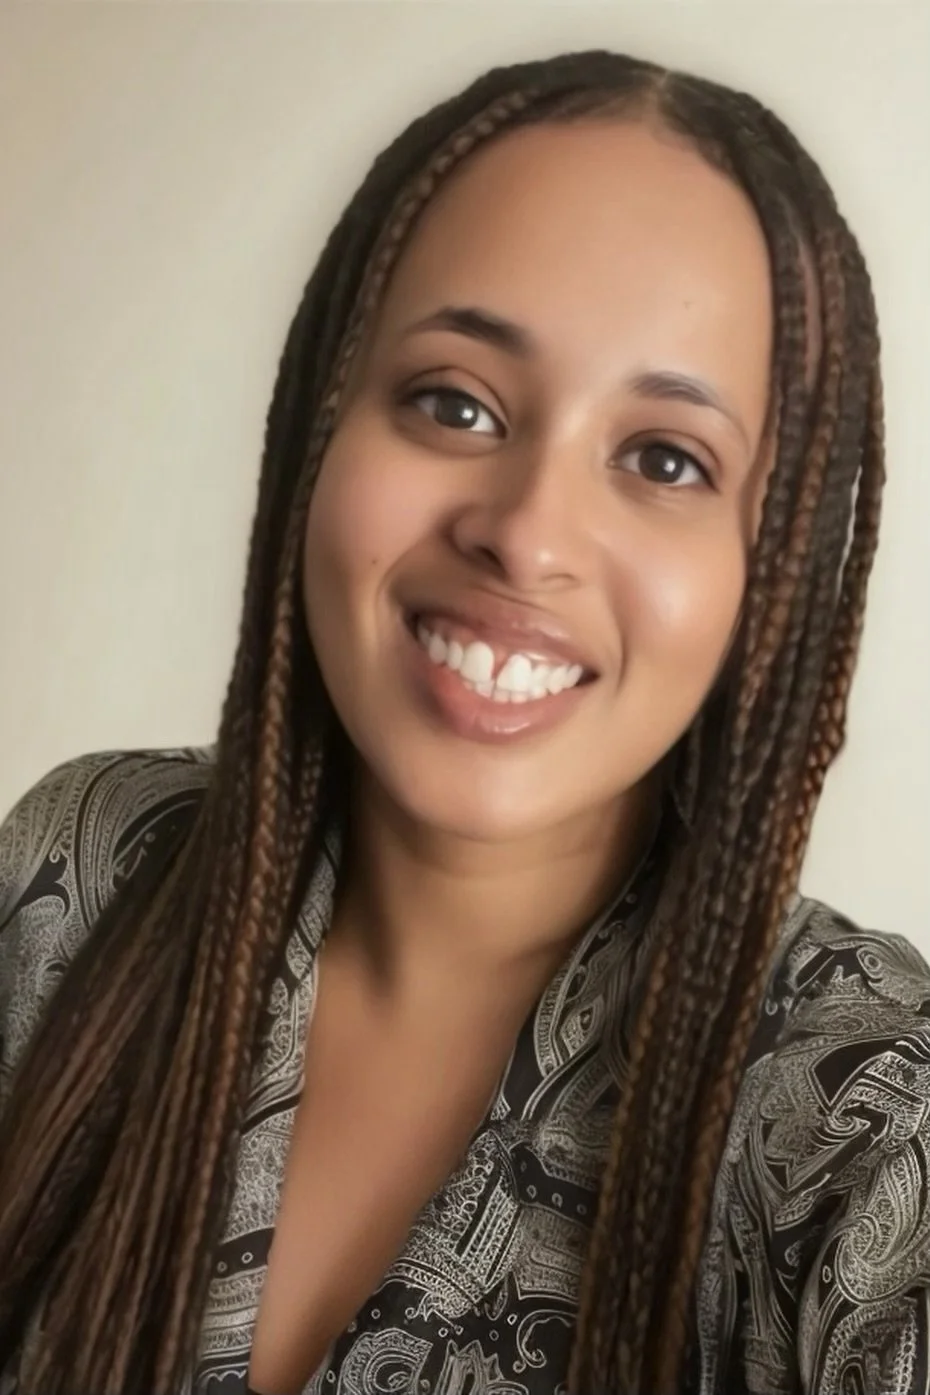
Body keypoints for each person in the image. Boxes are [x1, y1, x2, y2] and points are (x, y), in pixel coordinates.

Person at [0, 45, 926, 1395]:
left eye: (665, 459)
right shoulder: (78, 877)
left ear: (768, 574)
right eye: (455, 402)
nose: (527, 533)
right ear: (320, 428)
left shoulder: (873, 1124)